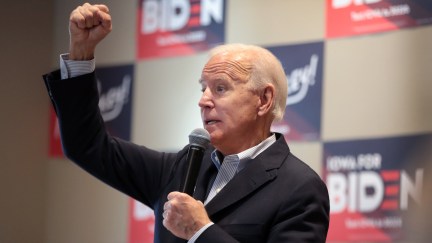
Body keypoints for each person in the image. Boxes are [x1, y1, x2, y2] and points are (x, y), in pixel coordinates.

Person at [43, 3, 329, 243]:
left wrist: (201, 231)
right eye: (203, 88)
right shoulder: (181, 167)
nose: (203, 100)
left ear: (264, 100)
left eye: (220, 88)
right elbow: (87, 146)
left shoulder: (300, 188)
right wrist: (81, 53)